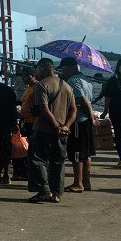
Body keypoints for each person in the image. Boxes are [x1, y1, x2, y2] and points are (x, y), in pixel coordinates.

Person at [27, 57, 76, 203]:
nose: (36, 73)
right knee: (58, 162)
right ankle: (56, 194)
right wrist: (65, 126)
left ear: (42, 68)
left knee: (36, 159)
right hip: (62, 132)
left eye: (37, 70)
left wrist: (56, 127)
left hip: (44, 129)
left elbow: (44, 108)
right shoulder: (67, 86)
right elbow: (73, 110)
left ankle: (44, 190)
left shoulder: (42, 85)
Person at [59, 56, 98, 193]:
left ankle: (78, 183)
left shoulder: (73, 81)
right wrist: (91, 116)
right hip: (86, 120)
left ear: (69, 67)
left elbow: (81, 99)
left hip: (78, 120)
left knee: (76, 153)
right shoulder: (85, 79)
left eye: (63, 68)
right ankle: (86, 182)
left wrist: (90, 116)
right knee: (86, 153)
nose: (62, 72)